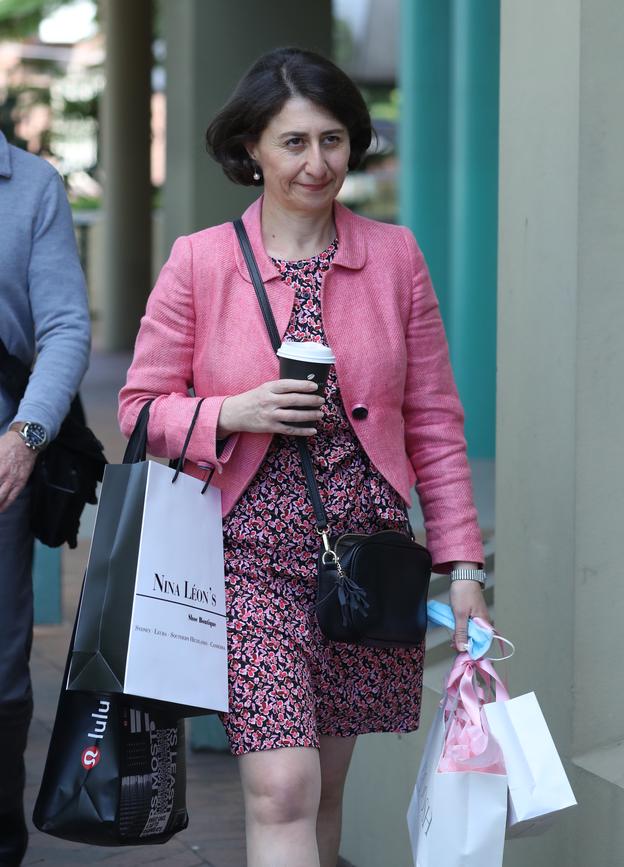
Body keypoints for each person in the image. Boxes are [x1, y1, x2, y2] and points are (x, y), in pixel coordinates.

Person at [118, 47, 489, 867]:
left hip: (365, 568)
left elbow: (434, 421)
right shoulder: (200, 261)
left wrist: (464, 563)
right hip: (245, 558)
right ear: (250, 147)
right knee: (281, 787)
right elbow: (139, 412)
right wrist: (234, 411)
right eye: (293, 142)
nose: (316, 163)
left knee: (324, 796)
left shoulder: (396, 259)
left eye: (332, 139)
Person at [0, 131, 91, 865]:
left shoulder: (31, 186)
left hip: (0, 452)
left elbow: (63, 324)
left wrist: (26, 435)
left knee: (0, 663)